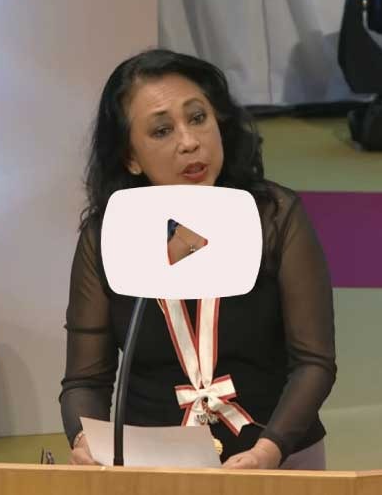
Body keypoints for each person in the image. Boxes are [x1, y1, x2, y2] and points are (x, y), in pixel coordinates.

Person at [59, 49, 336, 470]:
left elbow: (314, 363)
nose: (189, 142)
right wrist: (85, 443)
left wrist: (268, 451)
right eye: (162, 130)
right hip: (151, 465)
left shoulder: (275, 217)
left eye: (198, 118)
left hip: (278, 456)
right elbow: (85, 379)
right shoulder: (107, 235)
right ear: (130, 157)